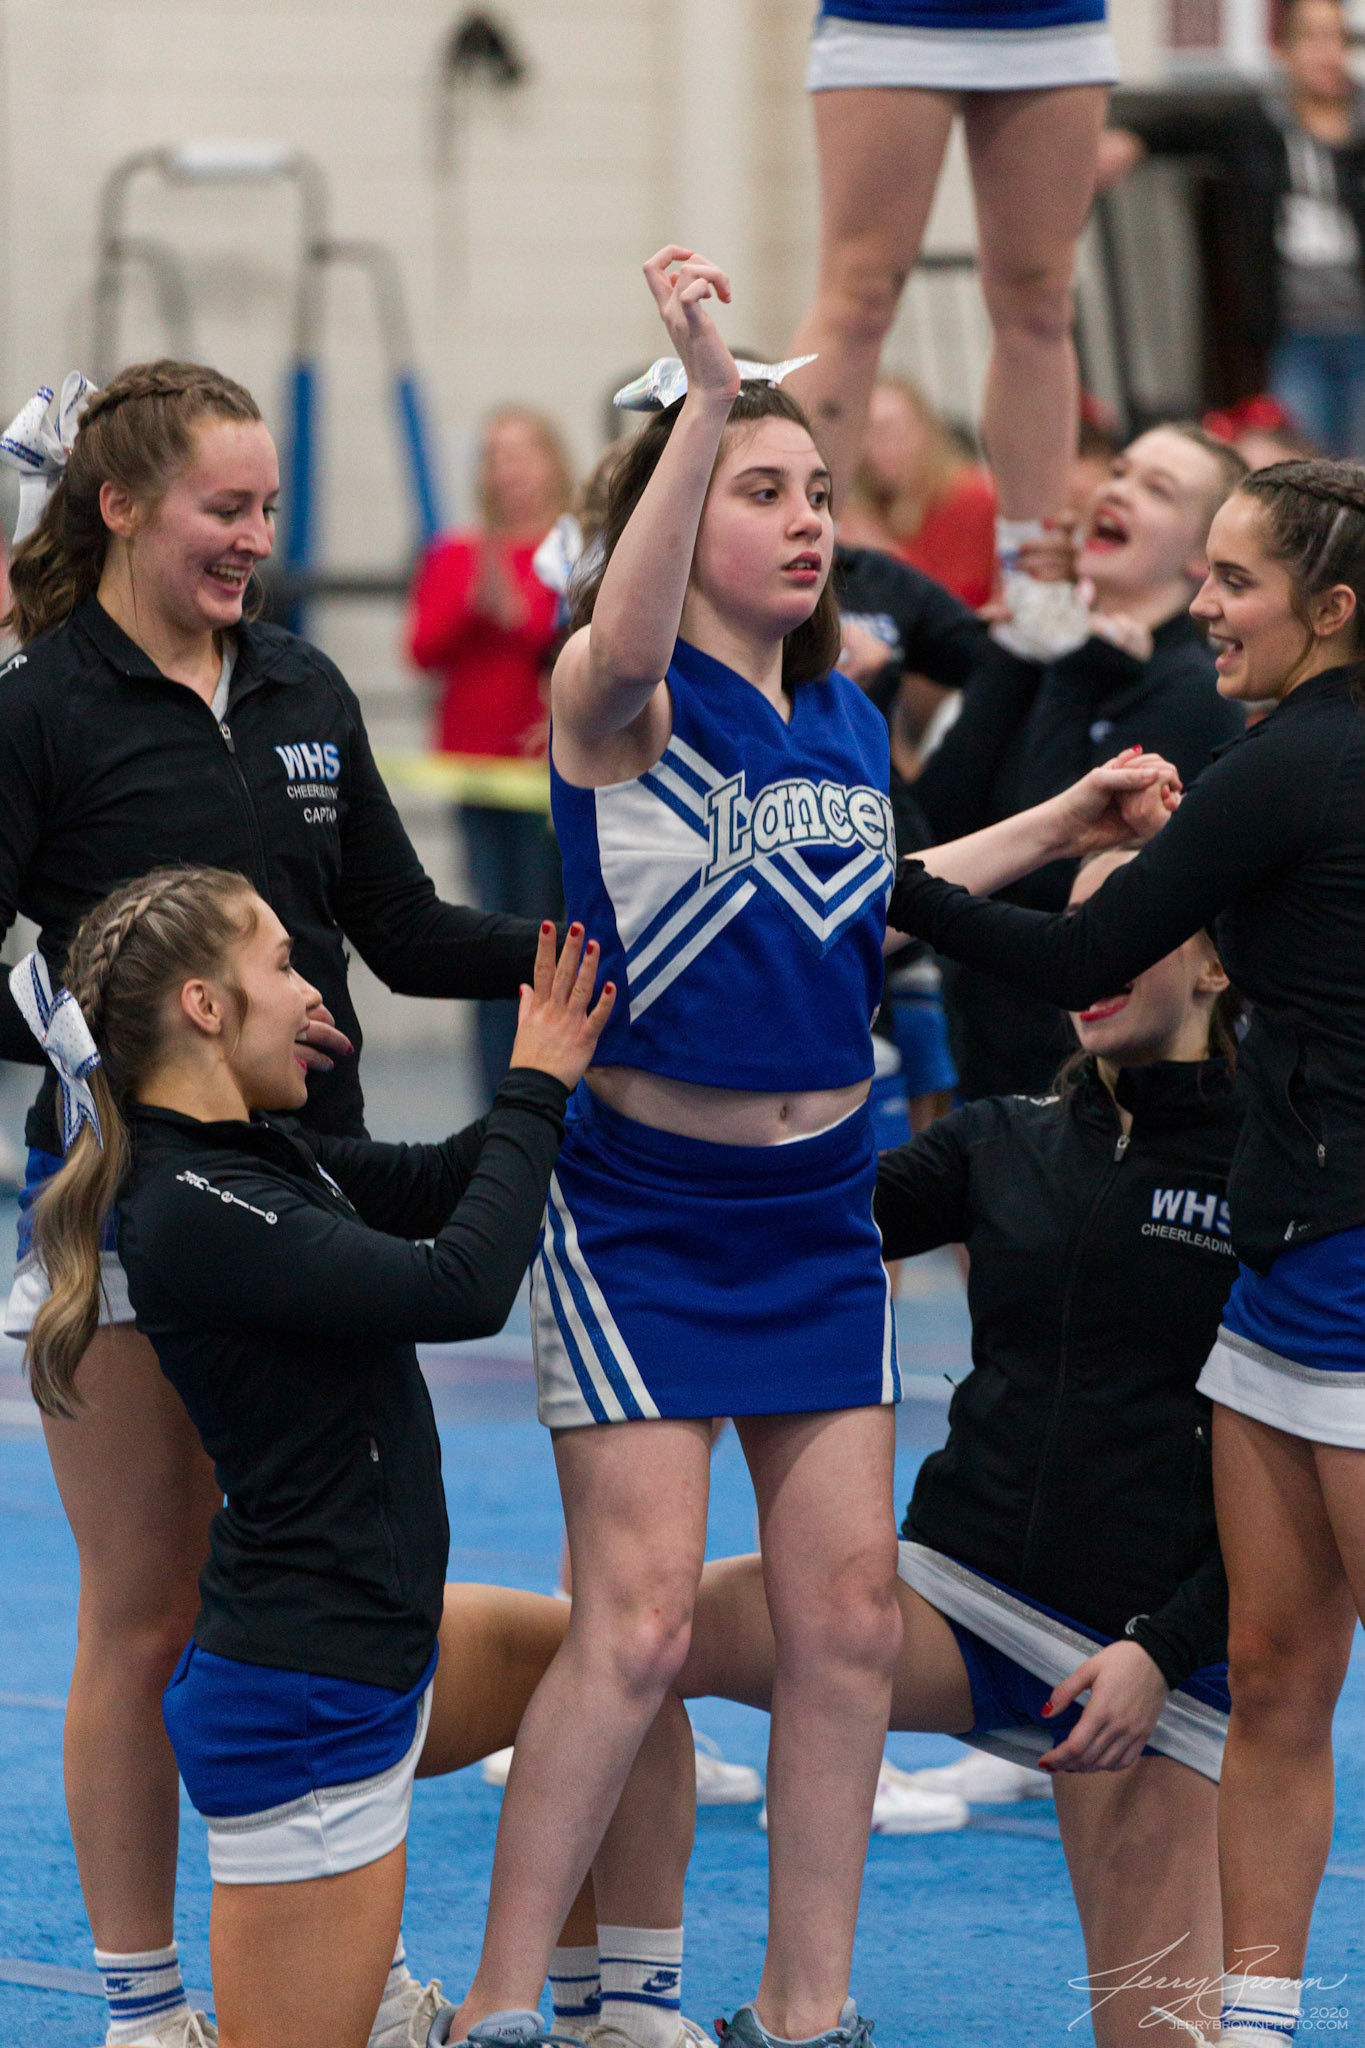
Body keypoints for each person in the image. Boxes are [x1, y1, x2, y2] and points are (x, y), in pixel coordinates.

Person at [439, 243, 1026, 2048]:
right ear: (677, 520)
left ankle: (804, 2006)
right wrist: (706, 393)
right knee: (633, 1629)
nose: (805, 520)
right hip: (646, 1215)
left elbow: (875, 902)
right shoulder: (617, 703)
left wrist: (1067, 820)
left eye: (819, 493)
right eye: (762, 492)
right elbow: (625, 638)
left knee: (845, 1623)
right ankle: (504, 2003)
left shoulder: (842, 713)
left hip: (818, 1214)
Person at [0, 361, 549, 2048]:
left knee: (316, 1574)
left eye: (269, 510)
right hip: (131, 1200)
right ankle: (144, 2002)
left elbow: (402, 927)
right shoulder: (43, 706)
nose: (256, 538)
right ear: (118, 506)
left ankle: (334, 1963)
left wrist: (586, 961)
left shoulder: (302, 681)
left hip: (315, 1186)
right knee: (148, 1602)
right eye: (223, 509)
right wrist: (87, 1041)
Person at [598, 840, 1244, 2048]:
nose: (1086, 954)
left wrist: (1165, 1650)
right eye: (1070, 927)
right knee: (625, 1652)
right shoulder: (1004, 1139)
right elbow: (782, 1213)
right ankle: (625, 2007)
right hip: (951, 1598)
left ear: (1215, 963)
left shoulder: (1274, 1163)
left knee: (1162, 2034)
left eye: (1127, 922)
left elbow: (1296, 1502)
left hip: (1148, 1655)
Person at [886, 460, 1365, 2048]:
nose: (1205, 607)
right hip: (1285, 1280)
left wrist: (882, 887)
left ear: (1332, 610)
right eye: (1205, 573)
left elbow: (1089, 948)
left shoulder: (1296, 758)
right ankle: (1258, 2022)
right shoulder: (1279, 761)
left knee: (1295, 1672)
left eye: (1236, 582)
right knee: (1276, 1676)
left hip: (1349, 1268)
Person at [13, 867, 618, 2048]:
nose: (312, 992)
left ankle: (616, 2013)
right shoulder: (190, 1200)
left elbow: (446, 1179)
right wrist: (537, 1081)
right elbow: (459, 1284)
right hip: (305, 1697)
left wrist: (589, 1071)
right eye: (284, 964)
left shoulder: (263, 1153)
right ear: (204, 1004)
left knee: (612, 1676)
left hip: (377, 1644)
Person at [910, 421, 1248, 1098]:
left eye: (1157, 489)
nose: (1117, 492)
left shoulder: (1193, 691)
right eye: (1119, 472)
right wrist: (1024, 644)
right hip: (983, 1041)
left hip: (1078, 1067)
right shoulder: (1061, 653)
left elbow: (1059, 877)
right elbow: (931, 825)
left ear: (1199, 557)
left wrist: (1072, 675)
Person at [788, 0, 1116, 627]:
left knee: (1040, 298)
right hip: (893, 16)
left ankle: (1035, 583)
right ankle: (792, 552)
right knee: (858, 297)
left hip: (1048, 21)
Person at [1105, 0, 1365, 458]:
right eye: (1312, 38)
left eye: (1337, 39)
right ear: (1283, 50)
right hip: (1291, 332)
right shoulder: (1255, 124)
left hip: (1358, 324)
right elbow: (1185, 126)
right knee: (1300, 462)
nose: (1327, 54)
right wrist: (1132, 138)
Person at [407, 408, 574, 1102]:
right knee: (494, 934)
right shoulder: (457, 554)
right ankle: (498, 1100)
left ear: (551, 461)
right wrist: (473, 607)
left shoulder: (575, 549)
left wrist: (521, 617)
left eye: (521, 452)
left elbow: (581, 646)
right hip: (479, 778)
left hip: (557, 778)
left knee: (554, 936)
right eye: (495, 455)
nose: (508, 470)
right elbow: (422, 651)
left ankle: (556, 1089)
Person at [838, 377, 997, 608]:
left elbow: (957, 602)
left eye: (891, 428)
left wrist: (881, 550)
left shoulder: (972, 496)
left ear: (925, 429)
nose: (879, 445)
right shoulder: (867, 506)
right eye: (866, 431)